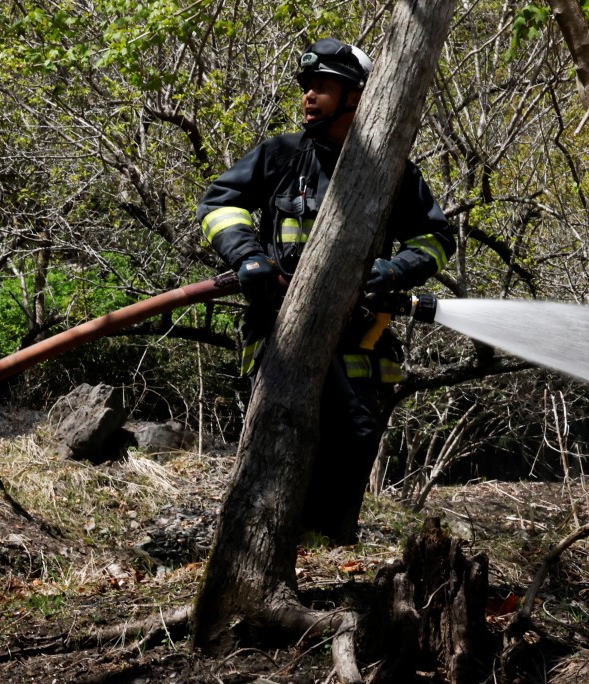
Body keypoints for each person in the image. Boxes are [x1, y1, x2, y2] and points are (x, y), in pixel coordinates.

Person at [197, 38, 455, 544]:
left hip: (358, 343)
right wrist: (247, 255)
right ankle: (260, 547)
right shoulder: (280, 155)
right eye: (307, 87)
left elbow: (436, 237)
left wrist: (396, 270)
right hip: (281, 332)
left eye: (324, 86)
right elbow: (219, 204)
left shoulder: (390, 171)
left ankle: (328, 548)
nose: (310, 96)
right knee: (283, 436)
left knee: (354, 437)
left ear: (358, 96)